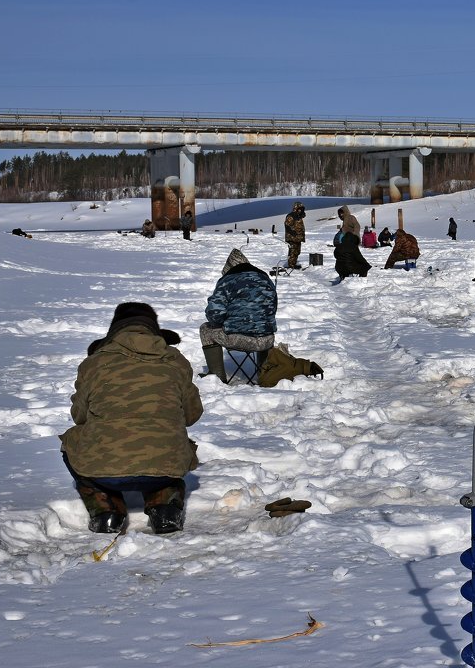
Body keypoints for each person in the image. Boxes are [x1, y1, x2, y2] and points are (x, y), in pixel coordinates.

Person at [60, 302, 202, 535]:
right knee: (171, 448)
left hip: (104, 469)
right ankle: (164, 507)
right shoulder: (175, 361)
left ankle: (107, 510)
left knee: (71, 441)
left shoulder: (94, 362)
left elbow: (79, 417)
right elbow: (191, 415)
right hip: (166, 467)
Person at [199, 249, 278, 382]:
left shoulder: (226, 281)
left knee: (205, 329)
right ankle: (264, 373)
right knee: (263, 326)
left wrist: (224, 324)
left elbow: (214, 313)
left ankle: (216, 378)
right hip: (267, 340)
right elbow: (272, 309)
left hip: (239, 339)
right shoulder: (266, 279)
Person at [284, 201, 306, 269]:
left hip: (298, 238)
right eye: (299, 209)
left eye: (301, 209)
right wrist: (292, 232)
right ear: (296, 208)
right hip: (292, 237)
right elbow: (287, 225)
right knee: (293, 251)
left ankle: (294, 263)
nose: (300, 210)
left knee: (297, 251)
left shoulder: (299, 216)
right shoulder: (291, 216)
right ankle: (291, 265)